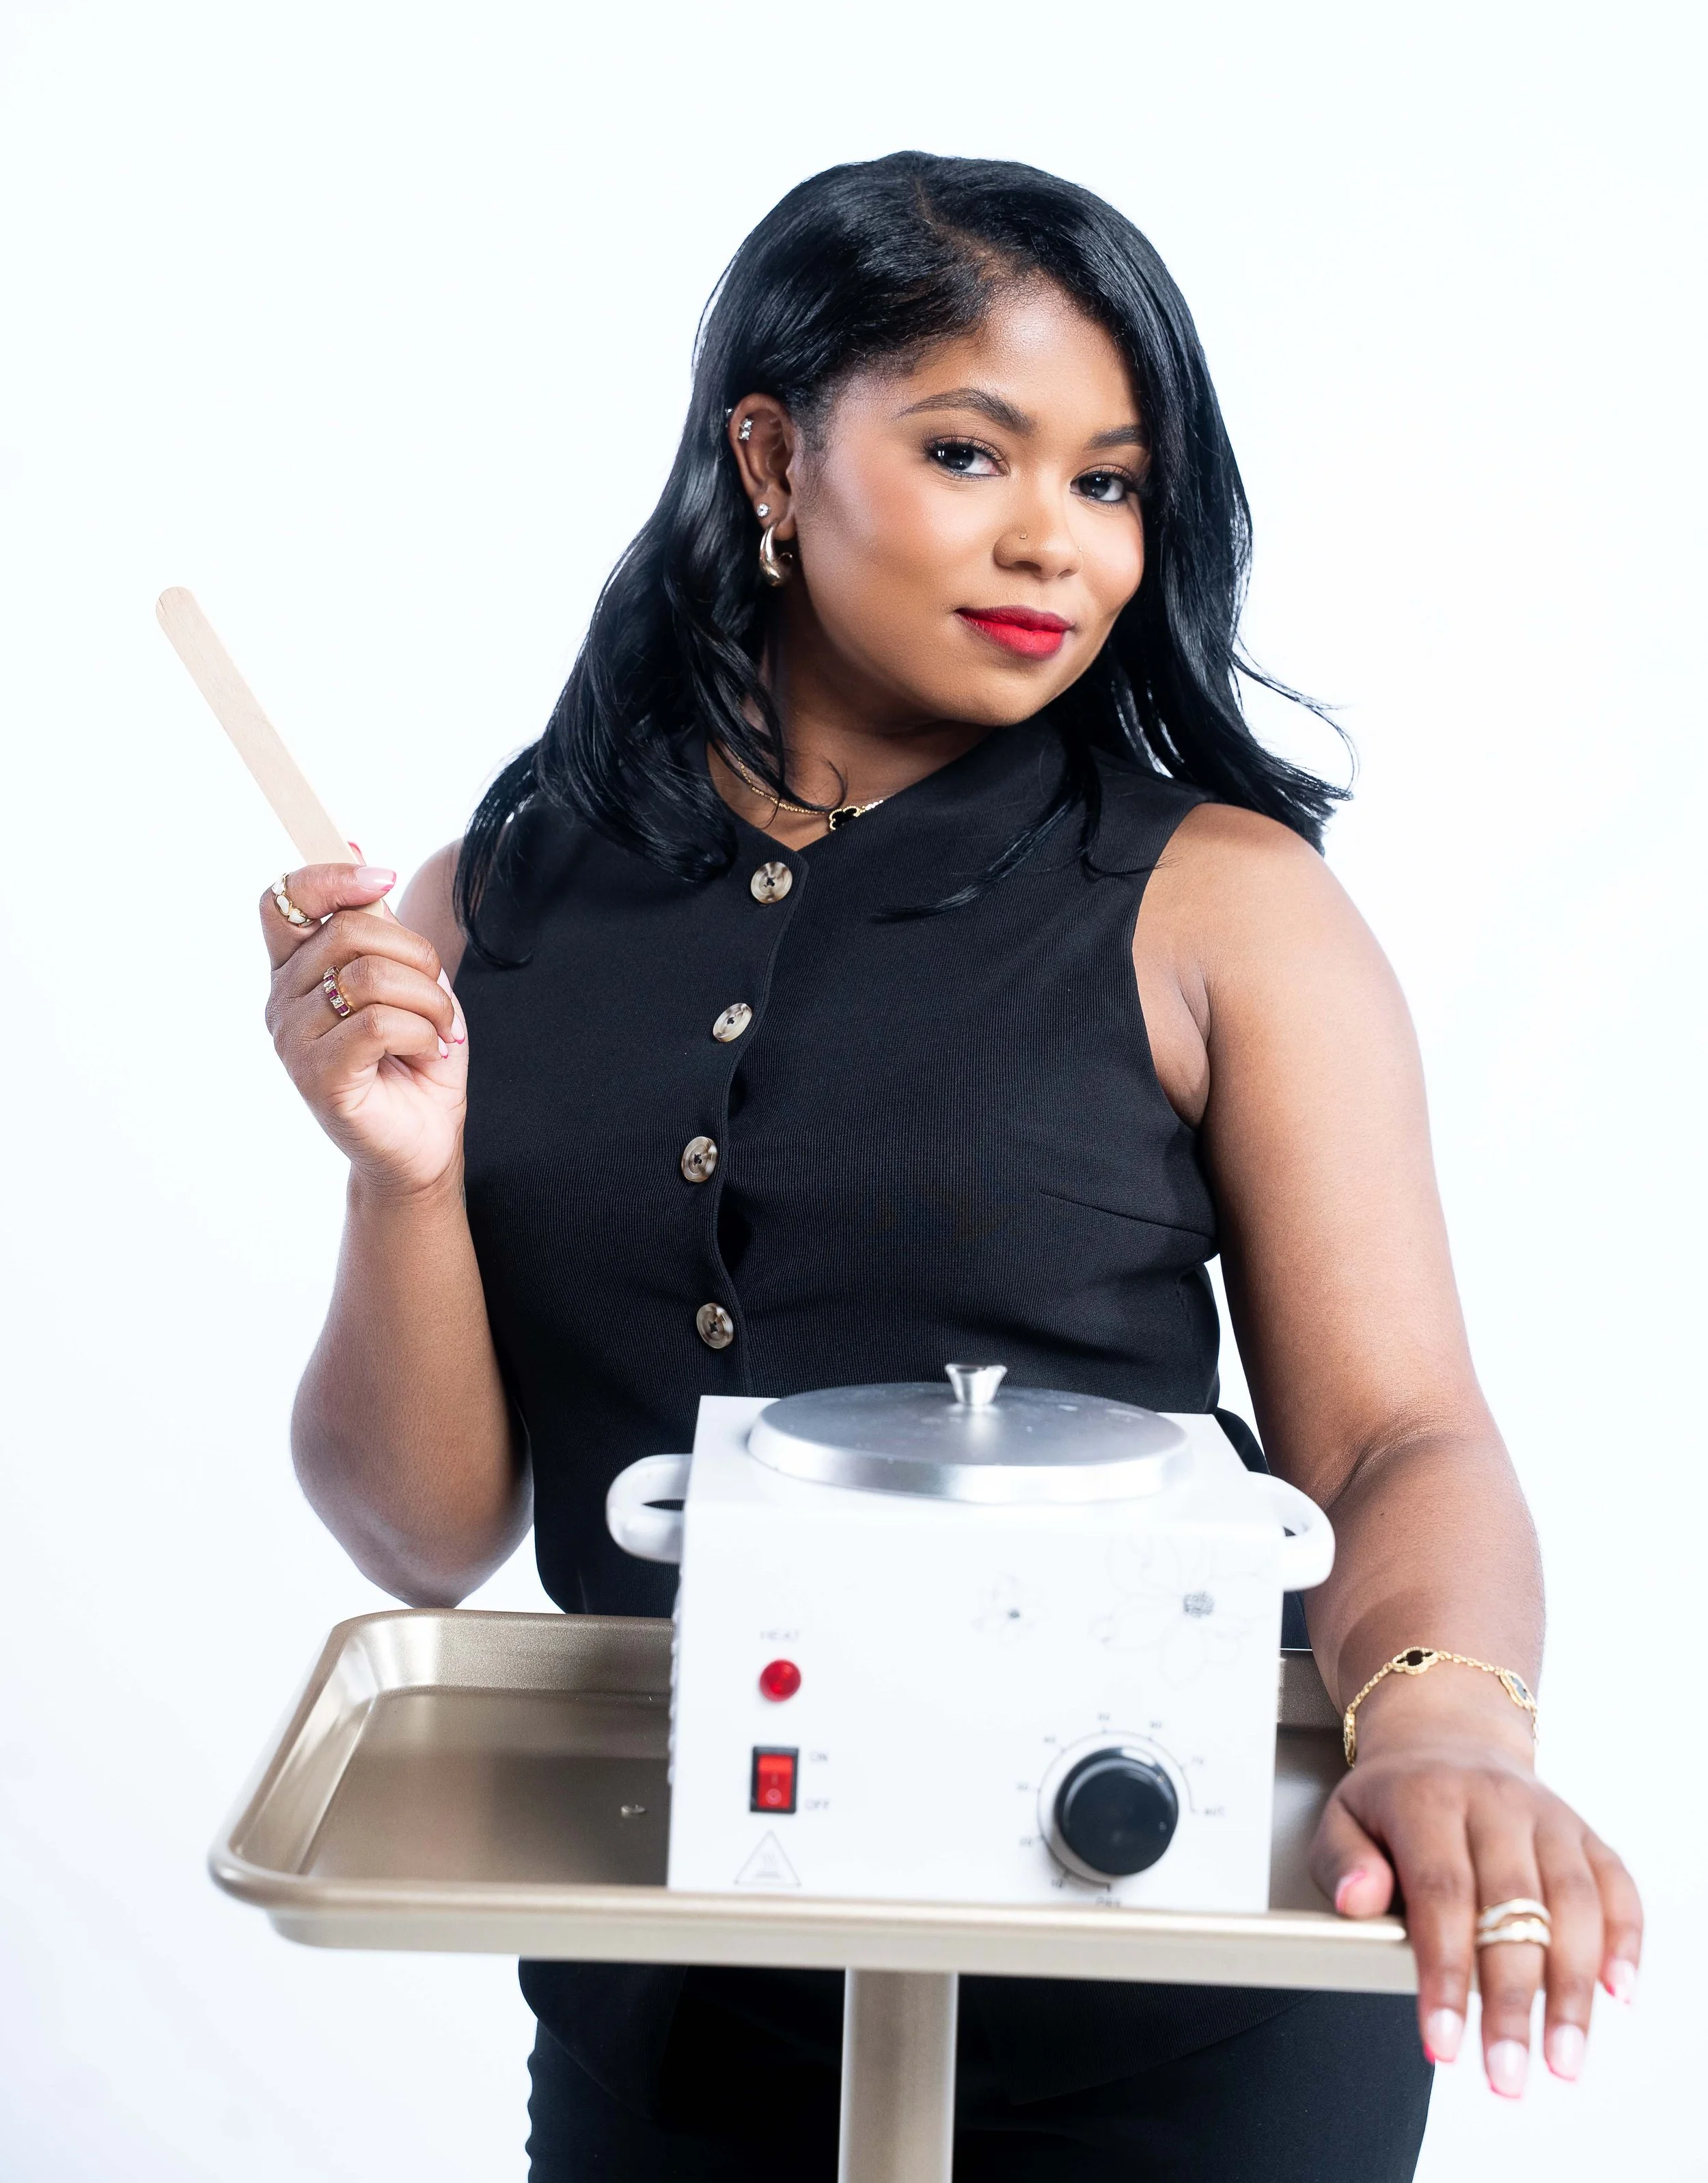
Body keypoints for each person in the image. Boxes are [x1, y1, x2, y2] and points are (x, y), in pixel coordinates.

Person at [260, 153, 1640, 2180]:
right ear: (769, 451)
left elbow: (1399, 1441)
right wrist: (400, 1171)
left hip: (1167, 1990)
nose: (1054, 544)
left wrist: (1442, 1717)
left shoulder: (1221, 903)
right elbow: (422, 1538)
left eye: (1108, 481)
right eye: (972, 449)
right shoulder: (500, 892)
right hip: (678, 1983)